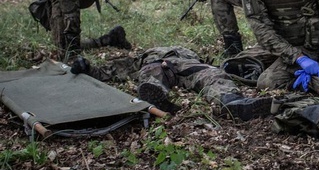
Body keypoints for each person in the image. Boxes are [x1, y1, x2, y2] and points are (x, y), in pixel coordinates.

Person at [68, 46, 273, 121]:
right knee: (151, 76)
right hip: (155, 64)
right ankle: (156, 97)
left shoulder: (187, 51)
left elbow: (210, 67)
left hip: (188, 64)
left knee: (213, 75)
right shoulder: (141, 58)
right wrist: (85, 66)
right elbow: (109, 71)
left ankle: (233, 102)